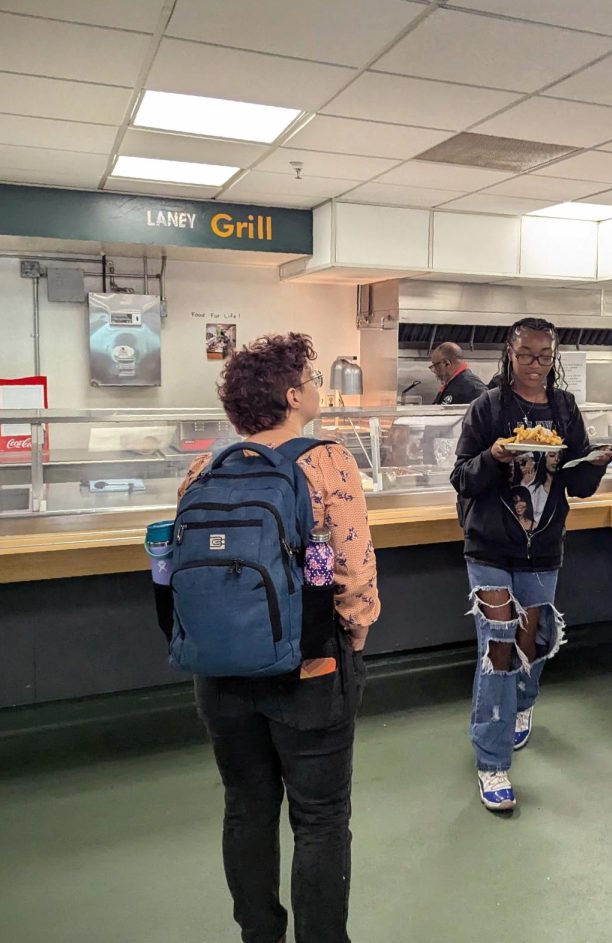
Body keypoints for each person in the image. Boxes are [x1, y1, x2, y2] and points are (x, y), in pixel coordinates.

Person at [177, 332, 379, 943]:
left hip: (219, 672)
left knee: (246, 809)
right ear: (294, 396)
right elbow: (347, 567)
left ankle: (259, 935)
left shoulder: (203, 468)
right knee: (318, 820)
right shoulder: (326, 461)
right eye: (312, 380)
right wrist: (354, 630)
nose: (318, 389)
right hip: (307, 667)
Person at [450, 317, 612, 812]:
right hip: (489, 547)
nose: (535, 365)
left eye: (545, 356)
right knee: (498, 644)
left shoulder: (564, 408)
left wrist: (595, 467)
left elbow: (577, 486)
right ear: (509, 353)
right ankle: (492, 761)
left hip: (543, 546)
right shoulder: (490, 407)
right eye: (526, 355)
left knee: (532, 640)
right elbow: (461, 477)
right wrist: (495, 456)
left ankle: (522, 705)